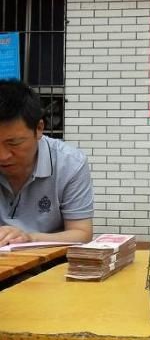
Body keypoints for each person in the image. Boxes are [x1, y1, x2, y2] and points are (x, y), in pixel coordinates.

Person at [0, 81, 93, 247]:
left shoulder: (70, 163)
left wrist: (29, 239)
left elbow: (81, 233)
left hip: (49, 258)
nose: (3, 156)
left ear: (39, 128)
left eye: (14, 143)